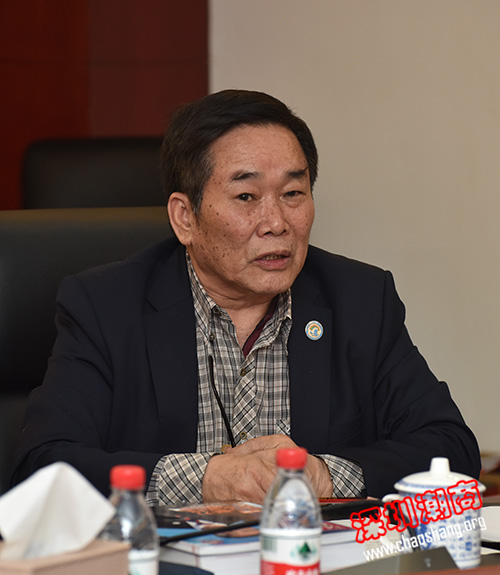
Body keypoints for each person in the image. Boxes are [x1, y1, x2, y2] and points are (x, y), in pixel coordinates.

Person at [11, 90, 480, 505]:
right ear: (185, 218)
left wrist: (323, 474)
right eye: (246, 197)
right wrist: (208, 478)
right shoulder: (106, 307)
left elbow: (452, 449)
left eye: (293, 192)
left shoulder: (360, 299)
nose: (276, 222)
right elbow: (44, 469)